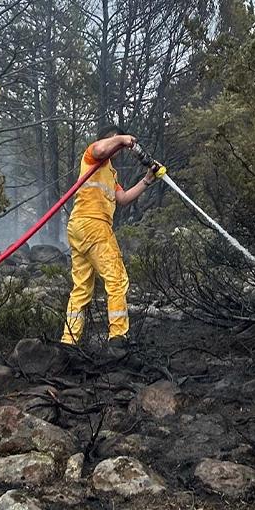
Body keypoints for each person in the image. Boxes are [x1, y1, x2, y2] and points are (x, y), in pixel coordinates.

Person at [61, 126, 160, 348]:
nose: (117, 147)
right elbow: (100, 148)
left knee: (81, 287)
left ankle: (69, 341)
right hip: (93, 225)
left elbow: (123, 198)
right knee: (116, 279)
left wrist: (147, 180)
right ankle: (118, 337)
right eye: (114, 142)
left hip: (79, 227)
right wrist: (123, 138)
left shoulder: (109, 173)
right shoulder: (92, 154)